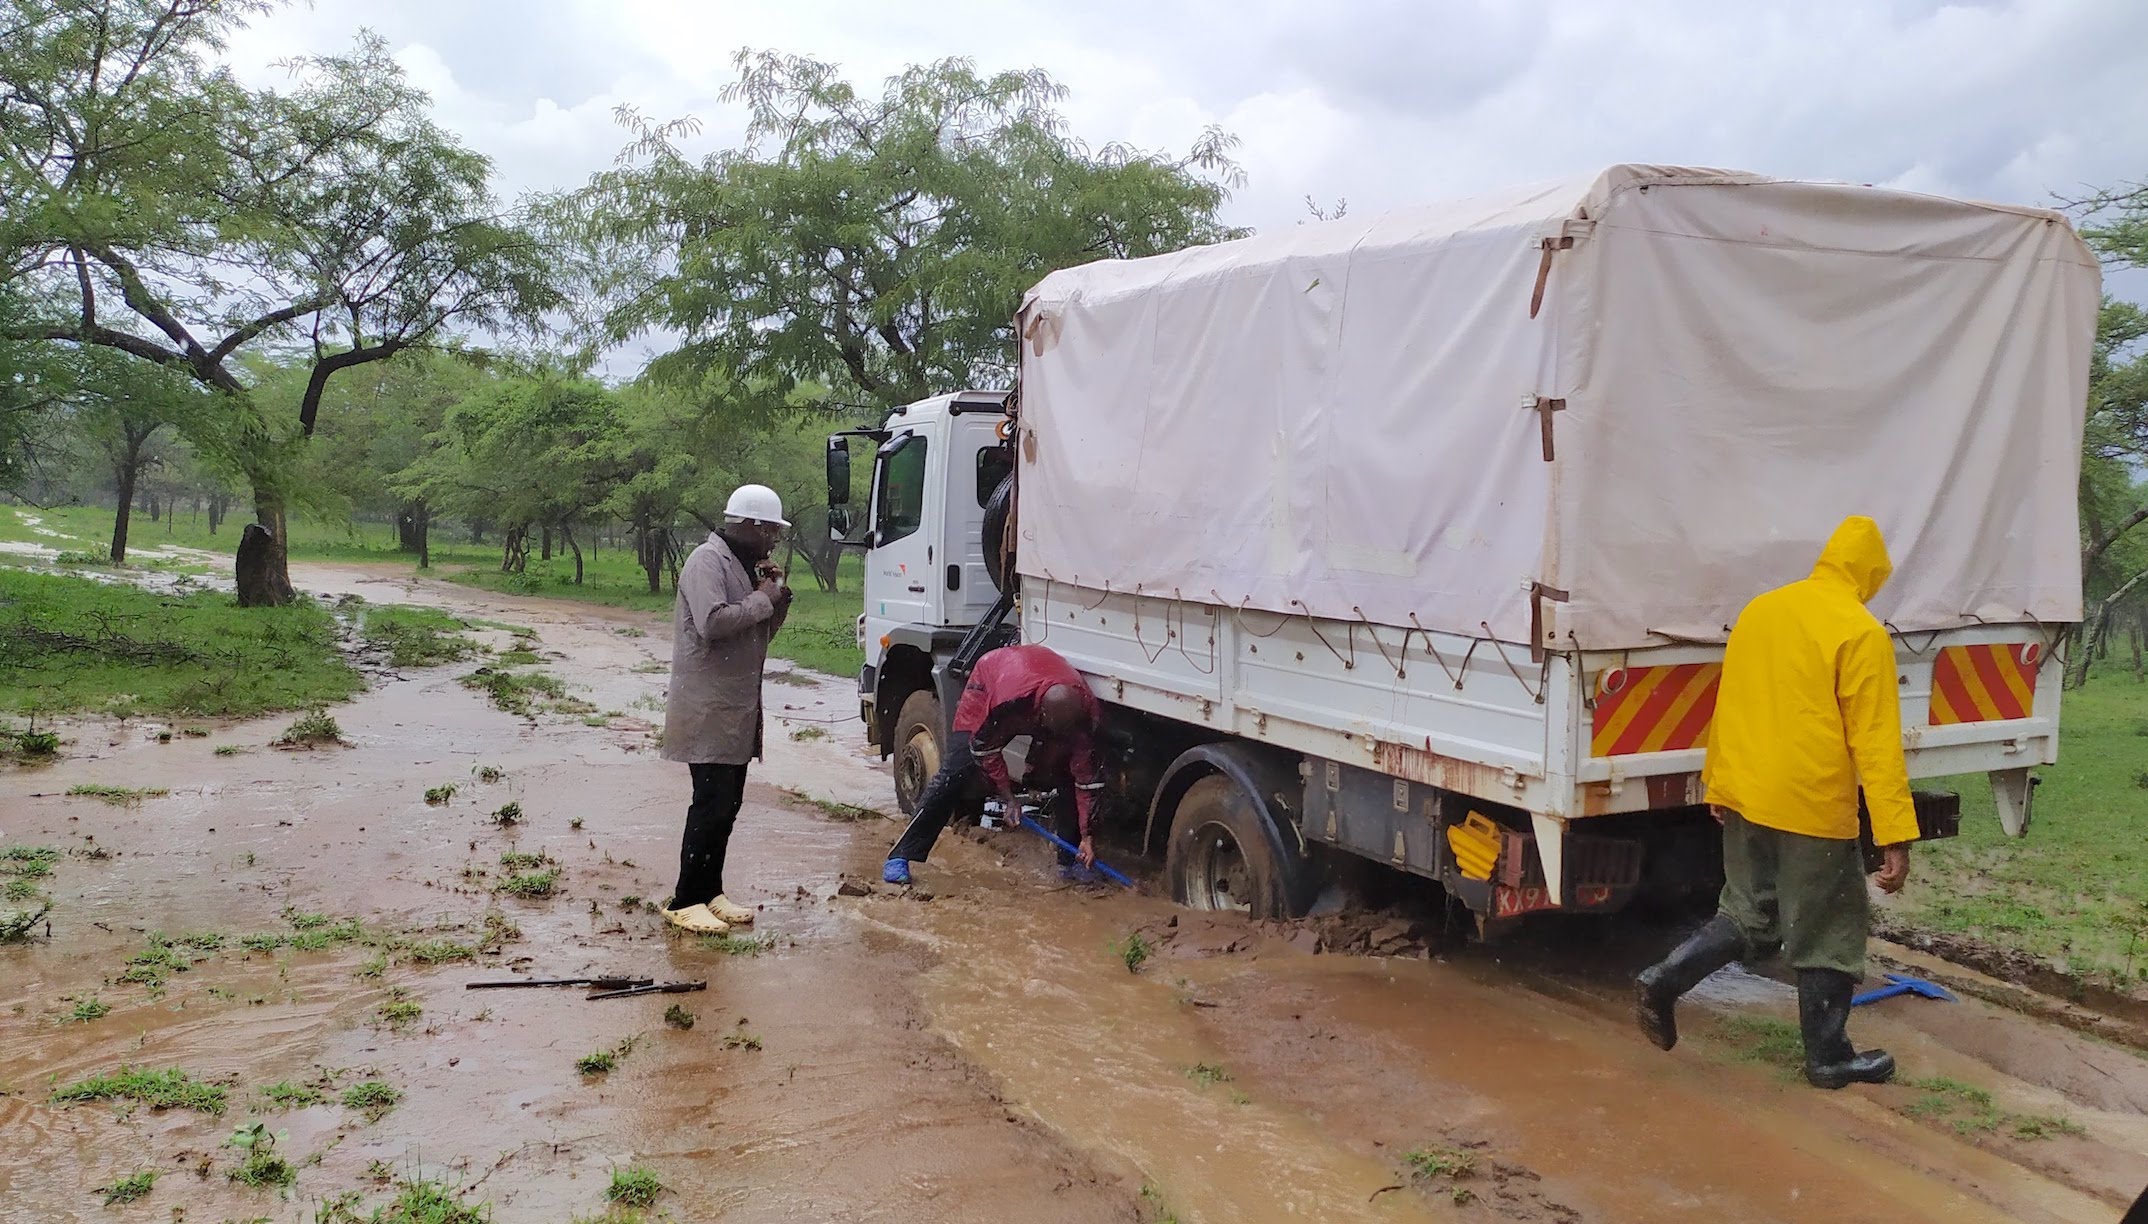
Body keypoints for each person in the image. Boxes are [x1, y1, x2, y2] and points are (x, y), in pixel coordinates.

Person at [1633, 515, 1919, 1090]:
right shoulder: (1859, 633)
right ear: (1870, 574)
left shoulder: (1761, 611)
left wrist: (1718, 782)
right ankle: (1829, 1058)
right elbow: (1877, 746)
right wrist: (1894, 835)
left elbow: (1731, 703)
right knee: (1830, 931)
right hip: (1811, 807)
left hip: (1746, 795)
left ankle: (1665, 978)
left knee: (1746, 913)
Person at [658, 484, 793, 934]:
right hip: (708, 706)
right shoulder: (706, 561)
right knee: (709, 803)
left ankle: (710, 891)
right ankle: (684, 899)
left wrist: (776, 593)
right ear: (751, 525)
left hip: (735, 706)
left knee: (728, 803)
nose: (775, 537)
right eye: (771, 529)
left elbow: (758, 636)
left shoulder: (741, 565)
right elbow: (714, 622)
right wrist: (761, 600)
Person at [883, 644, 1103, 886]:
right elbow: (983, 749)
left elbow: (1086, 781)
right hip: (991, 678)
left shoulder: (1084, 715)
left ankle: (1070, 860)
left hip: (1038, 689)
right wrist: (1009, 798)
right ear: (1040, 716)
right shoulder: (1009, 704)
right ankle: (901, 855)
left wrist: (1087, 835)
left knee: (1065, 772)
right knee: (956, 769)